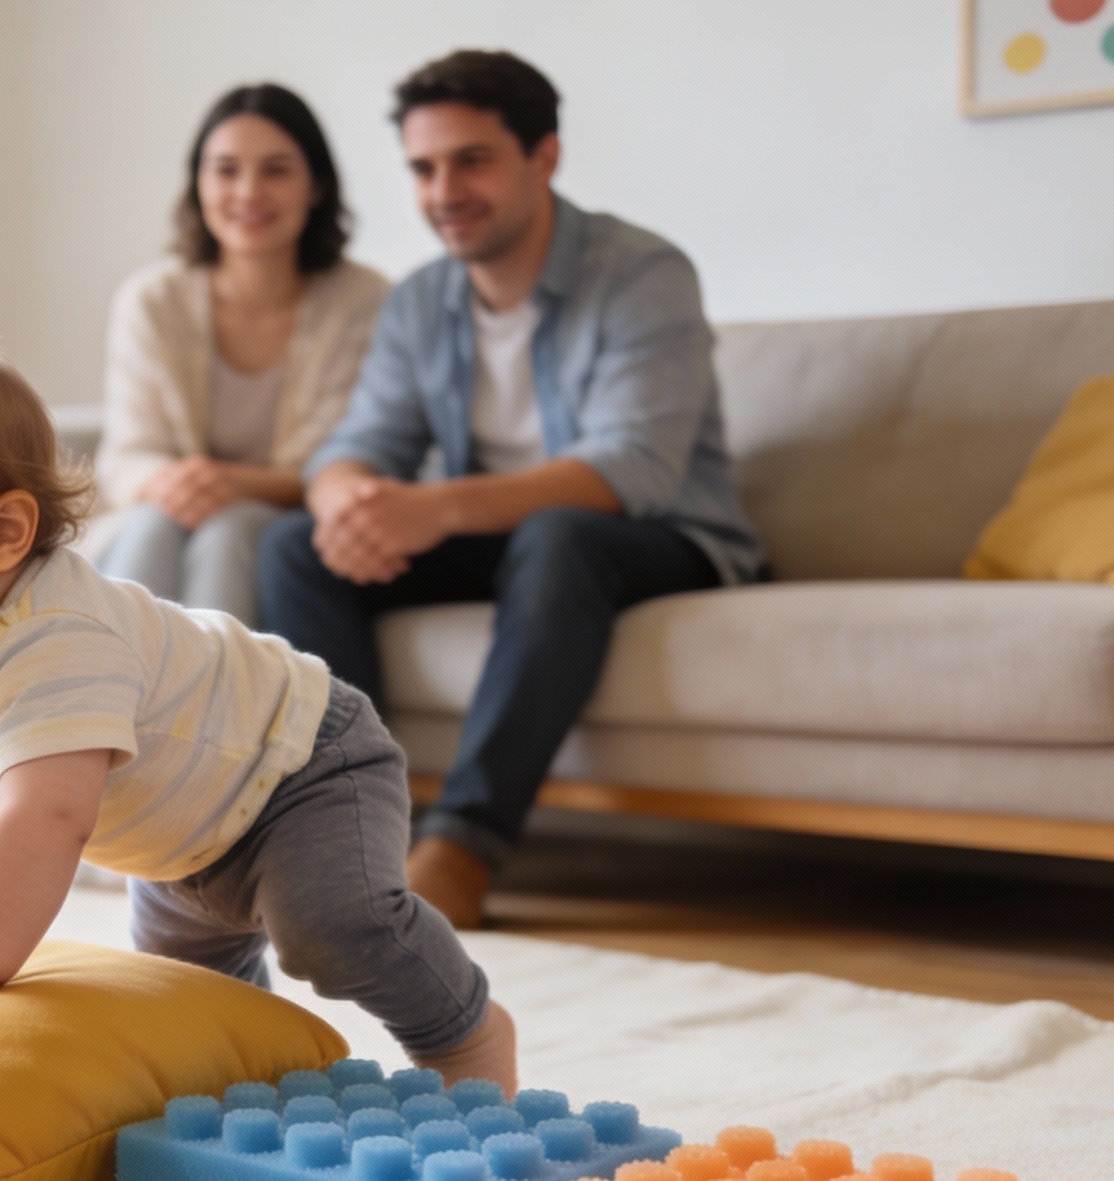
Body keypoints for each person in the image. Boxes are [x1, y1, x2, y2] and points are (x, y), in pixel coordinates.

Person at [0, 328, 517, 1090]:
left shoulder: (55, 639)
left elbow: (48, 818)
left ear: (1, 533)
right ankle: (260, 1076)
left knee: (332, 932)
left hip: (298, 766)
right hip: (177, 832)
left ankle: (464, 1033)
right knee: (190, 1008)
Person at [258, 51, 764, 929]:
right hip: (513, 539)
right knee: (294, 546)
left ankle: (463, 845)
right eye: (423, 168)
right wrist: (348, 501)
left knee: (559, 533)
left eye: (472, 160)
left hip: (661, 536)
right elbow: (356, 445)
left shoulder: (642, 275)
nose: (444, 189)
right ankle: (347, 836)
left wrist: (431, 508)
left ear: (545, 157)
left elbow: (628, 471)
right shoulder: (420, 302)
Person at [94, 84, 389, 626]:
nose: (248, 191)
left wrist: (234, 485)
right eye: (226, 170)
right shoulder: (152, 299)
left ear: (316, 185)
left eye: (276, 170)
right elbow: (129, 455)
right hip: (168, 513)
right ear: (199, 184)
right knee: (152, 524)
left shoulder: (364, 301)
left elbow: (347, 456)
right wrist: (174, 484)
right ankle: (94, 699)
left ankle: (217, 707)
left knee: (232, 528)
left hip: (285, 520)